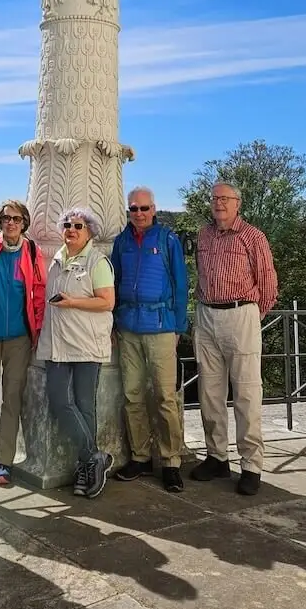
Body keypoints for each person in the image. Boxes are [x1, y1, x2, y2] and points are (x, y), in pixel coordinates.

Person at [191, 182, 278, 496]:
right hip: (206, 314)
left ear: (237, 203)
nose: (218, 203)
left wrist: (251, 316)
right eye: (214, 198)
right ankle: (216, 457)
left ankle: (251, 465)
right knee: (209, 393)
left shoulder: (253, 237)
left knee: (246, 394)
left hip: (240, 314)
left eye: (224, 199)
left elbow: (268, 286)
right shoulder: (203, 234)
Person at [111, 185, 188, 493]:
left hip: (161, 327)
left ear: (153, 210)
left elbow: (181, 284)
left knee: (165, 397)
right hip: (128, 326)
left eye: (144, 208)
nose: (139, 214)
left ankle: (171, 462)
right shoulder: (122, 241)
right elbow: (114, 282)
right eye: (134, 209)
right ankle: (140, 457)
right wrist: (114, 322)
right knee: (132, 396)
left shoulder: (168, 241)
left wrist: (179, 325)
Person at [36, 206, 115, 499]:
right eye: (67, 224)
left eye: (78, 226)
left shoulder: (98, 261)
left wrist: (72, 303)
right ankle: (94, 456)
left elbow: (107, 301)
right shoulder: (56, 260)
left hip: (86, 342)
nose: (71, 229)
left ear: (89, 231)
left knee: (85, 404)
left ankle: (86, 467)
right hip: (57, 342)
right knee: (59, 401)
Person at [0, 200, 48, 486]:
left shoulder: (31, 251)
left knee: (12, 397)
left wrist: (37, 328)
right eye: (5, 218)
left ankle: (5, 460)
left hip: (19, 335)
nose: (11, 223)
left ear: (24, 222)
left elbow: (39, 291)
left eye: (16, 219)